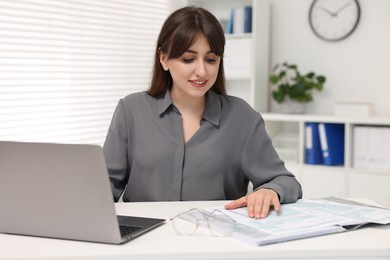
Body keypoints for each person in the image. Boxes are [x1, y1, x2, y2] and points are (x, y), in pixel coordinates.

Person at [103, 6, 302, 219]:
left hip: (215, 240)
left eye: (211, 59)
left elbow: (286, 182)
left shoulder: (242, 117)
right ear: (163, 58)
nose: (202, 71)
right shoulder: (131, 110)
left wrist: (269, 191)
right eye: (188, 59)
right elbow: (103, 188)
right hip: (142, 243)